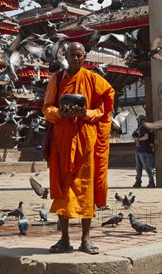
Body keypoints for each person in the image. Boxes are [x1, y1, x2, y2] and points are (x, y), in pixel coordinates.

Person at [43, 42, 114, 255]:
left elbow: (104, 107)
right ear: (65, 55)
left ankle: (86, 239)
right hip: (63, 142)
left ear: (84, 57)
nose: (77, 58)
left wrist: (86, 114)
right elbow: (47, 109)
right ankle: (64, 239)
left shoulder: (93, 79)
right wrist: (60, 113)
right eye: (73, 55)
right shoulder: (56, 79)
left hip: (86, 143)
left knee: (87, 189)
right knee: (62, 188)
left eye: (80, 55)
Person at [132, 114, 156, 188]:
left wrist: (138, 139)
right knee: (138, 167)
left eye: (138, 119)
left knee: (147, 167)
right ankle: (138, 181)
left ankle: (151, 182)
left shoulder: (144, 127)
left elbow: (146, 137)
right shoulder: (139, 128)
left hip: (143, 150)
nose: (137, 121)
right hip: (138, 150)